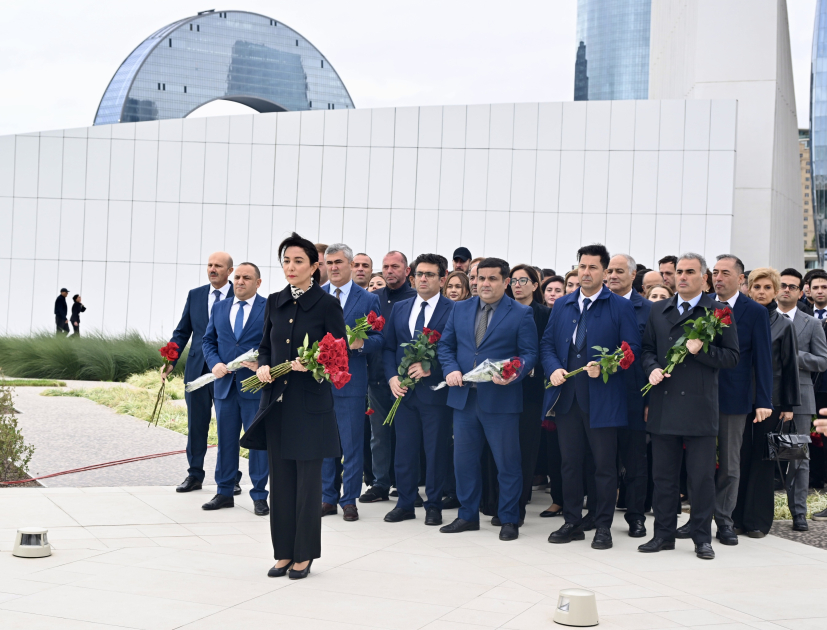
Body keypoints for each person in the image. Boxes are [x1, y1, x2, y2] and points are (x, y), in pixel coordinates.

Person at [240, 233, 346, 580]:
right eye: (286, 260)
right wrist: (264, 366)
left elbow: (338, 356)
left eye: (299, 261)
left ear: (315, 267)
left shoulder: (327, 305)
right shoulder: (274, 301)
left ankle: (304, 554)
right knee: (281, 481)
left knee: (307, 483)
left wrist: (313, 364)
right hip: (276, 405)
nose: (291, 267)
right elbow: (265, 346)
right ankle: (283, 552)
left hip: (309, 405)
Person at [639, 253, 739, 560]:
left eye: (690, 272)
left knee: (701, 479)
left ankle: (700, 538)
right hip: (664, 405)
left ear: (704, 278)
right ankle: (664, 535)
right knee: (664, 477)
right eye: (679, 272)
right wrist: (652, 368)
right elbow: (646, 349)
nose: (682, 276)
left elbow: (732, 357)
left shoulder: (718, 310)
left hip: (699, 406)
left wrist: (702, 350)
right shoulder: (658, 309)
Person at [542, 244, 641, 550]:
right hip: (568, 398)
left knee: (604, 465)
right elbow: (547, 344)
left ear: (605, 271)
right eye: (582, 266)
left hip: (603, 399)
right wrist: (555, 368)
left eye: (593, 267)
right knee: (569, 463)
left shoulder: (620, 306)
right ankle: (572, 521)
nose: (586, 272)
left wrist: (608, 365)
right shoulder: (563, 304)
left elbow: (632, 349)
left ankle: (602, 526)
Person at [438, 257, 538, 541]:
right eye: (480, 278)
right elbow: (446, 346)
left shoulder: (520, 313)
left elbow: (529, 354)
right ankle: (467, 516)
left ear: (506, 282)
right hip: (464, 399)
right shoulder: (460, 309)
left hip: (501, 399)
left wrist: (513, 373)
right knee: (464, 462)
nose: (485, 284)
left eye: (492, 279)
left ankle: (508, 519)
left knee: (507, 463)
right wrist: (451, 369)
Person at [683, 255, 772, 546]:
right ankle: (697, 519)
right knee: (699, 462)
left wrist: (764, 400)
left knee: (731, 464)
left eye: (725, 273)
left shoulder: (754, 312)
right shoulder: (701, 305)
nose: (718, 278)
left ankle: (724, 521)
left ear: (740, 278)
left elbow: (762, 360)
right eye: (715, 273)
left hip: (735, 399)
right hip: (699, 395)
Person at [383, 254, 455, 525]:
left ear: (442, 278)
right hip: (402, 392)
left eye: (430, 274)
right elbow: (389, 347)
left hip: (435, 393)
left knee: (435, 450)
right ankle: (404, 503)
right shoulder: (401, 308)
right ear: (412, 277)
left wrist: (430, 368)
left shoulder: (453, 310)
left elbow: (454, 350)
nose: (423, 279)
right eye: (419, 274)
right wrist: (392, 377)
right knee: (404, 449)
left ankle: (433, 504)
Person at [732, 268, 799, 537]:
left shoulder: (784, 324)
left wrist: (788, 407)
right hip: (738, 399)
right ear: (747, 288)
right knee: (739, 457)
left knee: (763, 460)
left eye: (767, 288)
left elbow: (789, 366)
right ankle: (734, 518)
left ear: (775, 291)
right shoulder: (739, 317)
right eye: (756, 286)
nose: (761, 292)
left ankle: (757, 521)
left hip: (770, 402)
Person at [321, 244, 384, 521]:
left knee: (352, 444)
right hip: (320, 382)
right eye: (329, 262)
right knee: (324, 444)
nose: (333, 267)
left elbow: (381, 339)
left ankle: (350, 500)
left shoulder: (368, 299)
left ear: (349, 265)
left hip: (351, 382)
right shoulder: (316, 296)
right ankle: (327, 498)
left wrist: (361, 343)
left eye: (338, 262)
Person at [201, 263, 270, 516]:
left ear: (258, 283)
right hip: (225, 387)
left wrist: (263, 362)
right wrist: (215, 363)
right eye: (237, 277)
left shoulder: (268, 308)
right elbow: (208, 340)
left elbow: (274, 343)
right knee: (226, 442)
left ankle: (260, 496)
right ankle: (224, 492)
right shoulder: (219, 307)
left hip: (254, 387)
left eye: (246, 278)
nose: (240, 281)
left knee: (258, 445)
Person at [169, 252, 235, 494]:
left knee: (228, 424)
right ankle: (194, 474)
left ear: (230, 270)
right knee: (196, 424)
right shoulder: (195, 295)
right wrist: (170, 359)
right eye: (209, 265)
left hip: (227, 370)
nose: (212, 269)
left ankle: (231, 477)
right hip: (197, 370)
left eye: (218, 266)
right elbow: (182, 331)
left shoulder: (238, 293)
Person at [361, 251, 416, 504]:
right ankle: (380, 483)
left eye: (395, 266)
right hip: (376, 376)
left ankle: (407, 486)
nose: (390, 270)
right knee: (379, 434)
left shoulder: (415, 299)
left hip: (407, 381)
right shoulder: (372, 298)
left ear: (406, 271)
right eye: (386, 266)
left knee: (407, 435)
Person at [777, 267, 827, 531]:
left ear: (800, 291)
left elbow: (822, 361)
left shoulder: (812, 323)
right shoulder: (764, 318)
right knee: (763, 456)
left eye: (792, 286)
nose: (786, 289)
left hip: (801, 397)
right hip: (767, 397)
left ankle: (798, 512)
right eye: (782, 285)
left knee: (798, 456)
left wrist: (792, 356)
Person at [606, 253, 652, 538]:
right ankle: (601, 515)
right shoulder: (596, 307)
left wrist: (649, 401)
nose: (612, 275)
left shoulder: (648, 310)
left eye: (619, 271)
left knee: (635, 462)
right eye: (609, 270)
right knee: (602, 461)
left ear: (633, 275)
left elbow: (650, 356)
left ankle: (636, 517)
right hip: (602, 396)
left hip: (635, 396)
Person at [501, 264, 550, 525]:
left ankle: (517, 506)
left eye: (524, 280)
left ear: (535, 284)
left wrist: (525, 370)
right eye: (514, 280)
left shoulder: (545, 314)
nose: (517, 285)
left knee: (524, 448)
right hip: (500, 387)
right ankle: (496, 504)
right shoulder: (502, 309)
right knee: (501, 450)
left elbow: (547, 350)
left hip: (530, 389)